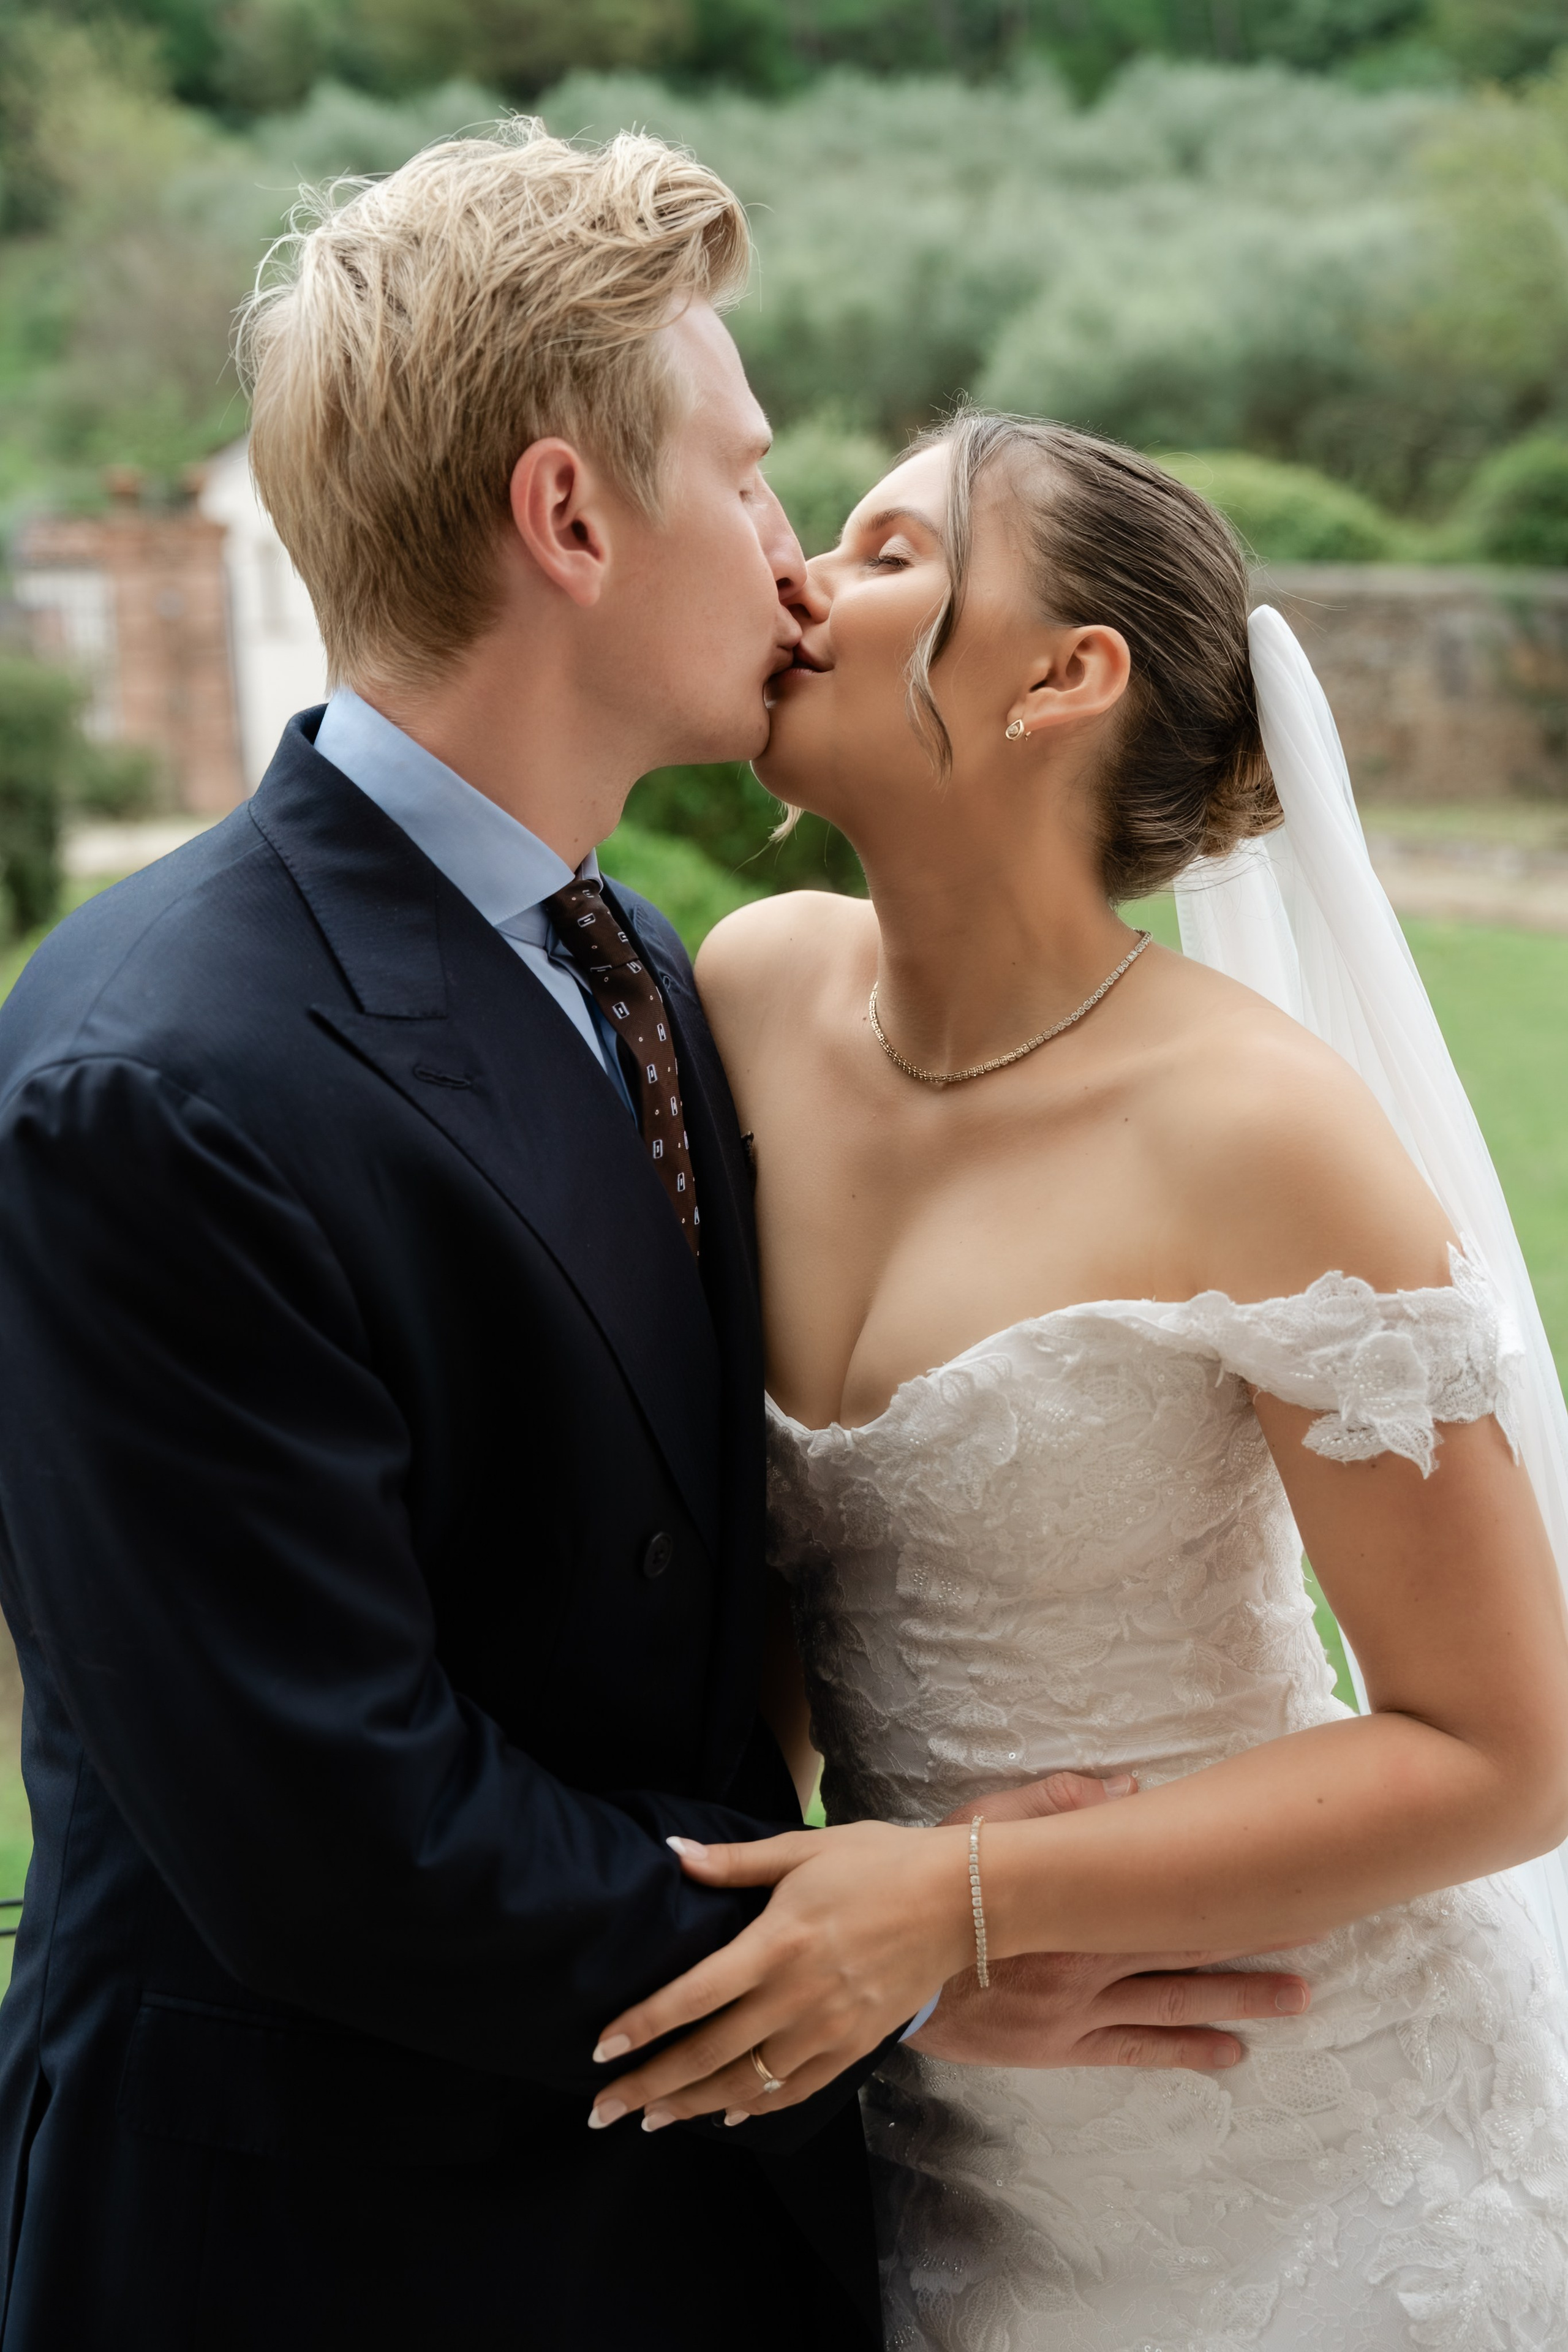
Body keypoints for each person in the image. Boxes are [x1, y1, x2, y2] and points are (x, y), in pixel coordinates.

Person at [0, 143, 1302, 2350]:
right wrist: (912, 1956)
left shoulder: (647, 966)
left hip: (675, 2214)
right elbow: (339, 1829)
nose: (798, 565)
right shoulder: (151, 1078)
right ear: (573, 524)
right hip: (323, 2248)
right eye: (758, 479)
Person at [587, 413, 1568, 2349]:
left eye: (884, 554)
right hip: (930, 2130)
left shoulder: (1256, 1128)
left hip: (1294, 2125)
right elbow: (744, 1593)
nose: (802, 581)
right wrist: (920, 1963)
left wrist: (960, 1899)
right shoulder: (756, 991)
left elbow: (1502, 1746)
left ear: (1066, 674)